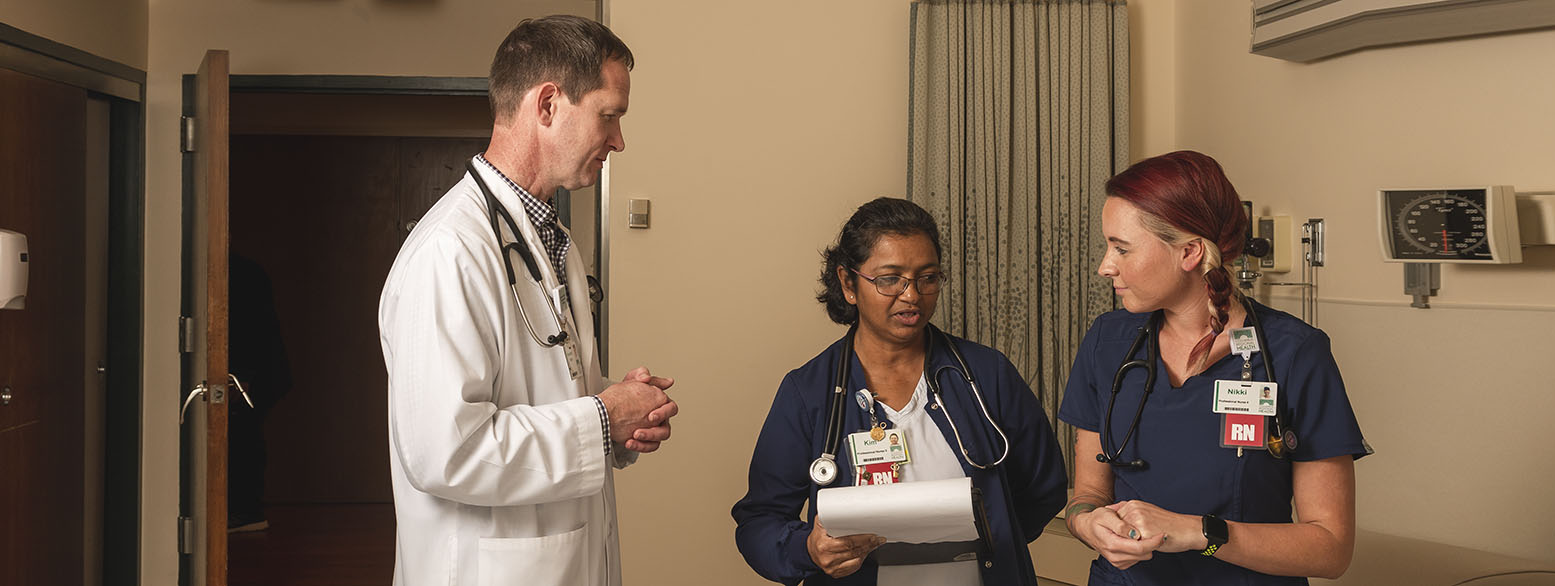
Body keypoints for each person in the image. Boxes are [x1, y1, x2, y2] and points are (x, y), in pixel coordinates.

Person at [378, 15, 678, 586]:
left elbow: (544, 392)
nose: (619, 140)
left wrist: (616, 412)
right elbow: (447, 451)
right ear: (547, 106)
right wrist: (601, 417)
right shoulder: (450, 252)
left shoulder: (551, 240)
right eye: (609, 116)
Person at [1057, 151, 1369, 585]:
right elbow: (1087, 496)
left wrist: (1196, 533)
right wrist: (1087, 523)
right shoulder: (1108, 343)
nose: (1105, 265)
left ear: (1189, 252)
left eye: (1121, 248)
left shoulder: (1294, 355)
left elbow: (1330, 550)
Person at [733, 197, 1069, 585]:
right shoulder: (808, 392)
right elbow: (759, 522)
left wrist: (993, 543)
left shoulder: (986, 374)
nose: (912, 296)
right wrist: (807, 549)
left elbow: (1043, 487)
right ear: (848, 283)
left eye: (927, 278)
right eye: (889, 279)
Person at [227, 252, 292, 533]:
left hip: (253, 372)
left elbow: (250, 331)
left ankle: (246, 510)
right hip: (257, 369)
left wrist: (244, 377)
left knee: (243, 434)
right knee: (245, 433)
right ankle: (244, 509)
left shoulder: (237, 272)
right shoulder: (244, 269)